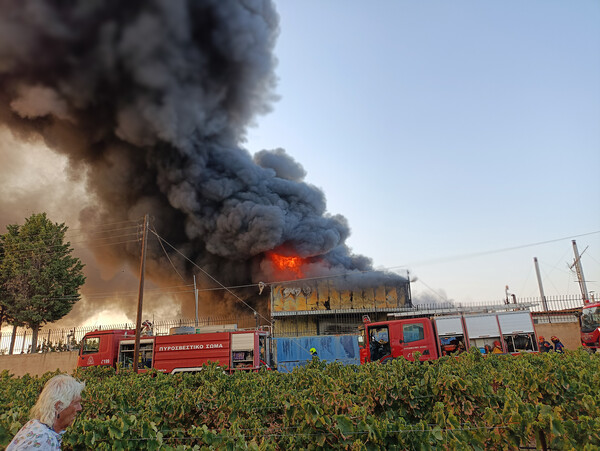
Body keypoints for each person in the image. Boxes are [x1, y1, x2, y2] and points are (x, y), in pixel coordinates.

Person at [7, 374, 85, 450]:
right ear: (58, 406)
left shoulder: (35, 425)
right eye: (75, 403)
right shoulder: (44, 439)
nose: (80, 408)